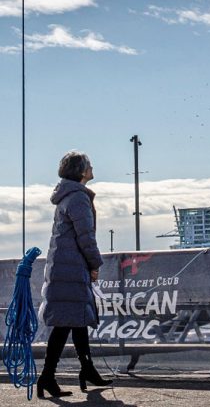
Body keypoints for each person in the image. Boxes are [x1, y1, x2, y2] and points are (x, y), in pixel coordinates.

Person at [37, 151, 111, 398]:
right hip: (72, 268)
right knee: (66, 324)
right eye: (89, 165)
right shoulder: (78, 198)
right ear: (82, 172)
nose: (92, 167)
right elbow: (86, 237)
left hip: (64, 266)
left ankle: (86, 369)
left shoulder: (67, 197)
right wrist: (95, 264)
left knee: (76, 320)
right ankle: (47, 377)